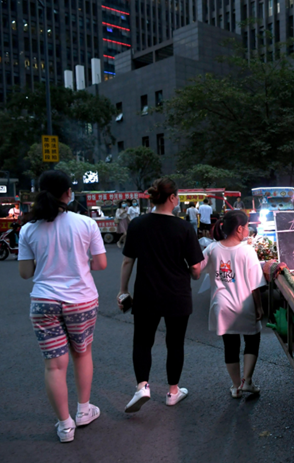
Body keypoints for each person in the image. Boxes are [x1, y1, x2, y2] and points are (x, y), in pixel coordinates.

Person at [18, 170, 107, 443]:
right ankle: (83, 410)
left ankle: (65, 426)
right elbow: (101, 263)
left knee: (54, 366)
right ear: (68, 193)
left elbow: (25, 272)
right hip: (81, 300)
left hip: (44, 301)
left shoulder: (28, 229)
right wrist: (80, 263)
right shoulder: (85, 224)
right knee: (82, 353)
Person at [117, 178, 204, 414]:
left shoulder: (137, 224)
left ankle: (142, 386)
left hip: (146, 293)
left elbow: (128, 261)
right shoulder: (184, 227)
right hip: (177, 294)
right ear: (173, 198)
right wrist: (194, 272)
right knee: (174, 343)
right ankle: (173, 392)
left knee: (142, 342)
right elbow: (196, 269)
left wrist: (123, 290)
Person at [200, 211, 266, 398]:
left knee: (230, 346)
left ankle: (236, 386)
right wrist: (259, 307)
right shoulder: (247, 251)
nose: (248, 230)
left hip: (222, 306)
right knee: (252, 340)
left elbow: (197, 269)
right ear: (239, 229)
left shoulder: (212, 249)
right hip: (244, 305)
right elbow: (255, 284)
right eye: (246, 227)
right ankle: (248, 381)